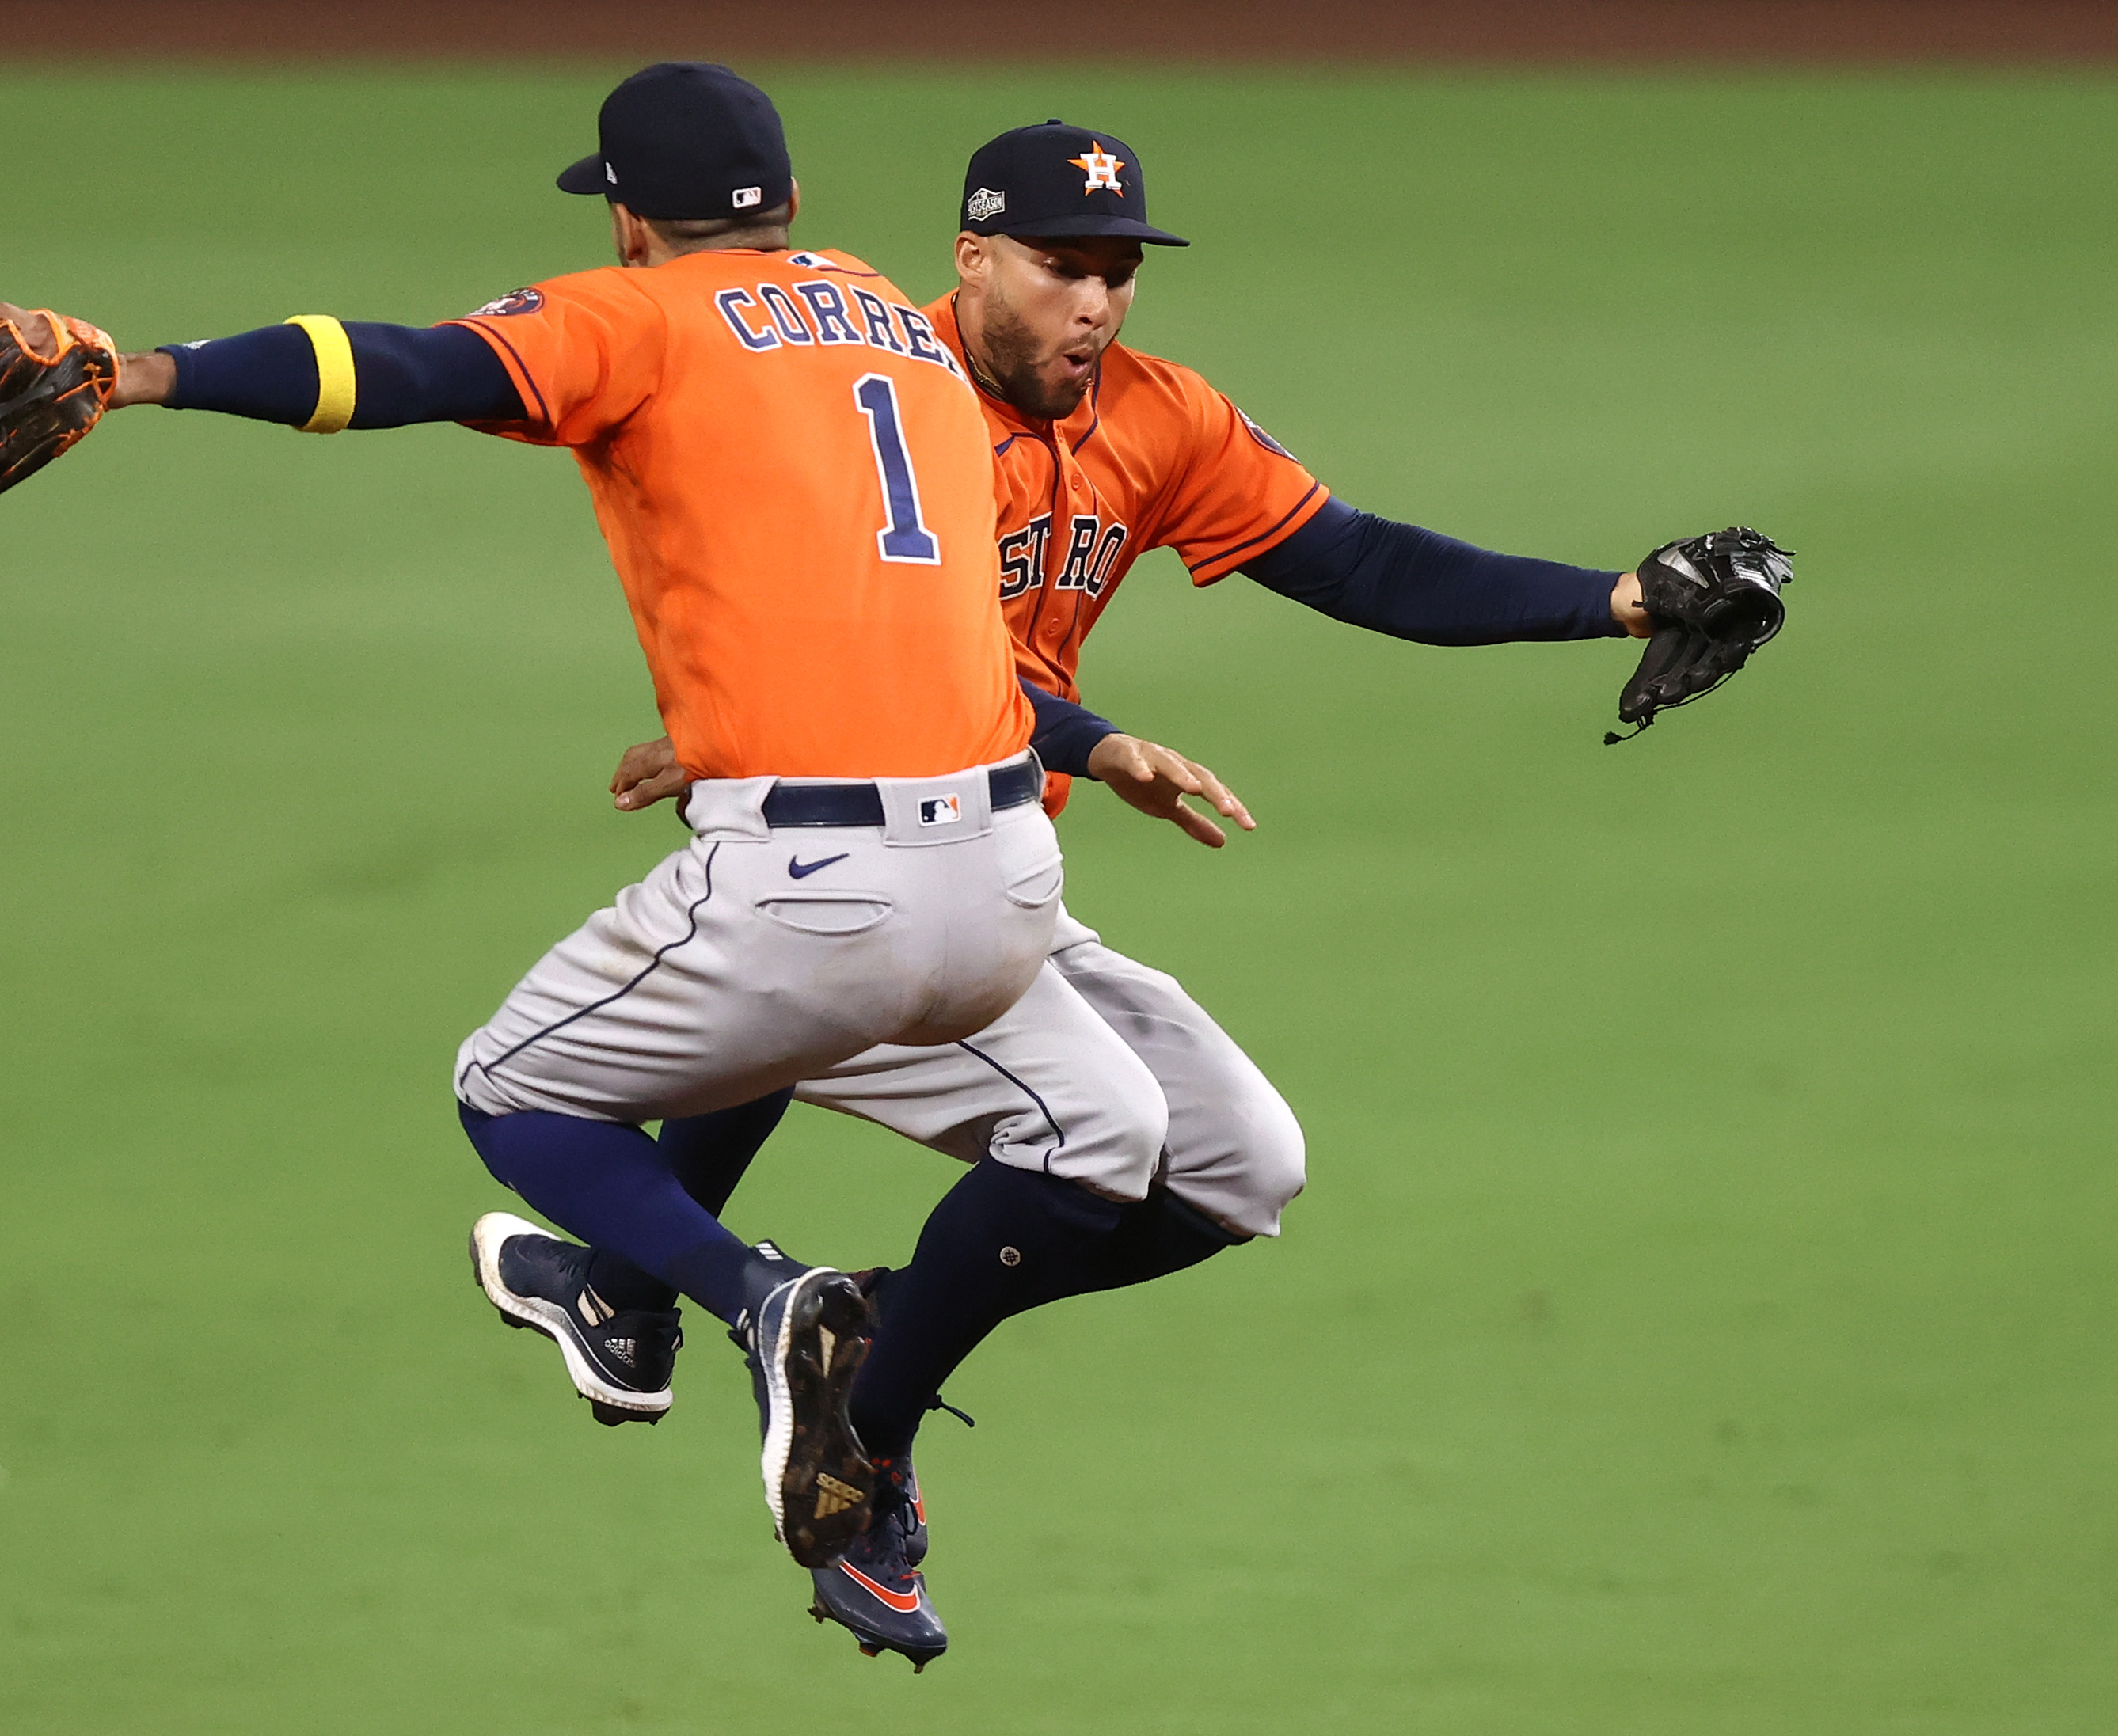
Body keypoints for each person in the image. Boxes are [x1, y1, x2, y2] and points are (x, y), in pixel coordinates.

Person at [481, 120, 1698, 1669]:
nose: (1097, 303)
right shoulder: (870, 405)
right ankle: (833, 1433)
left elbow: (1364, 564)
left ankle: (672, 1303)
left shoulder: (1154, 416)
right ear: (970, 257)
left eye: (1118, 272)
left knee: (1239, 1168)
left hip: (989, 877)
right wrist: (1089, 735)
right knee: (855, 985)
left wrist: (1617, 602)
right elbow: (900, 651)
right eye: (1065, 267)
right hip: (854, 843)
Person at [0, 68, 1149, 1576]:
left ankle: (760, 1300)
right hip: (1008, 871)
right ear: (782, 206)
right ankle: (615, 1297)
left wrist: (147, 374)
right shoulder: (883, 317)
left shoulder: (634, 314)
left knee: (510, 1090)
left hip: (816, 878)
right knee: (774, 1037)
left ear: (631, 216)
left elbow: (394, 364)